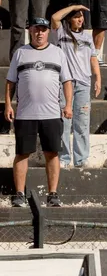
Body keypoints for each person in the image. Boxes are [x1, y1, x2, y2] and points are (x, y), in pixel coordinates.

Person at [6, 19, 70, 206]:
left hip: (51, 114)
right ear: (30, 31)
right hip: (25, 114)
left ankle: (53, 194)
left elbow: (67, 81)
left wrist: (68, 105)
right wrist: (9, 105)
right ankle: (19, 194)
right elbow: (10, 82)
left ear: (48, 32)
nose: (40, 33)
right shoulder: (20, 53)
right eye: (36, 30)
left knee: (52, 153)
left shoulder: (58, 53)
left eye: (43, 30)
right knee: (22, 153)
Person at [50, 5, 98, 169]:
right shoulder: (61, 33)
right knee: (64, 122)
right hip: (65, 84)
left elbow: (93, 58)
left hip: (84, 83)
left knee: (82, 122)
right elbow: (55, 18)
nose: (80, 19)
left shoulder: (87, 36)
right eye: (76, 16)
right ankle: (64, 158)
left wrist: (98, 77)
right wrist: (74, 6)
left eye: (81, 16)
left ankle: (81, 159)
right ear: (69, 18)